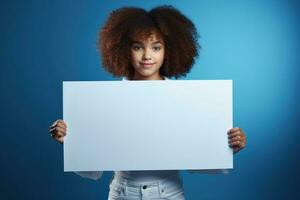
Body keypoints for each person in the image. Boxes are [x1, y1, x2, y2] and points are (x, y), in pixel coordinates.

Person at [49, 5, 247, 200]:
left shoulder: (186, 99)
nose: (147, 56)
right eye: (137, 47)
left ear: (168, 51)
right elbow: (93, 171)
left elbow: (197, 161)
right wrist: (71, 142)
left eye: (156, 47)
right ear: (124, 50)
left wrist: (228, 147)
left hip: (169, 193)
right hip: (122, 193)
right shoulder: (106, 99)